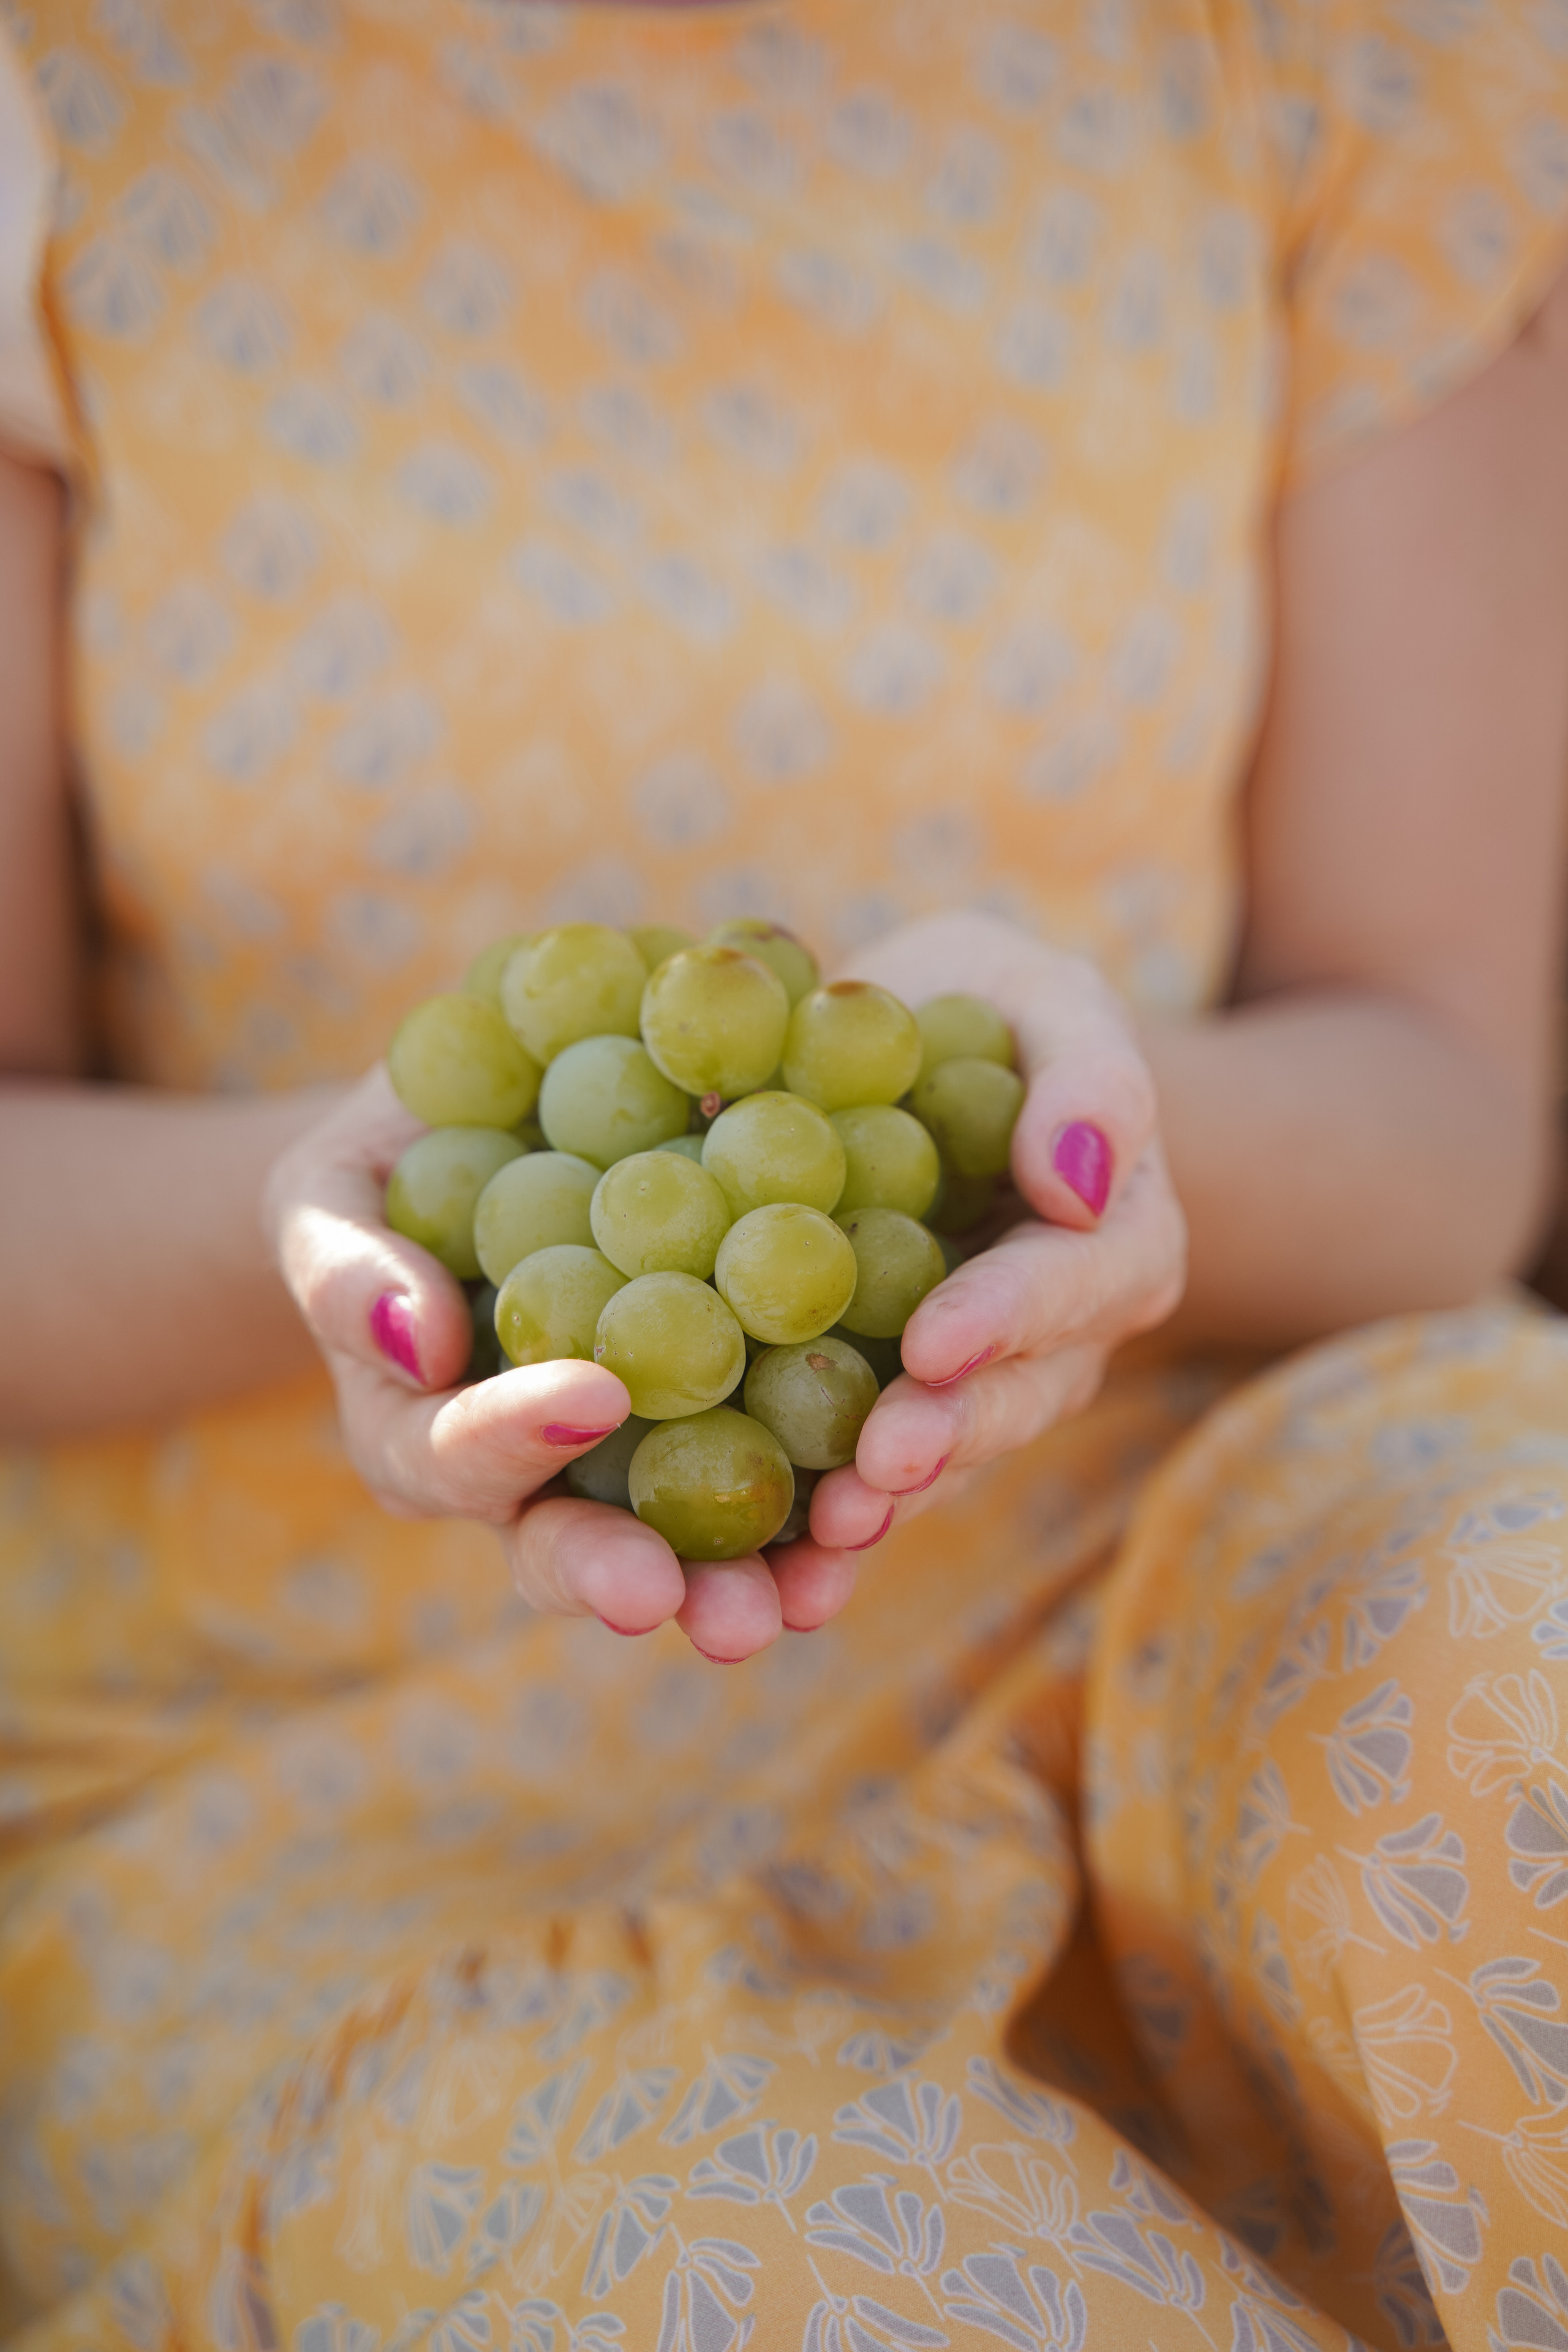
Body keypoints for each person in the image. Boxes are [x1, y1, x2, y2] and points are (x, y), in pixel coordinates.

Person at [2, 2, 1568, 2344]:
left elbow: (1447, 1115)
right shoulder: (63, 96)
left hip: (1183, 1515)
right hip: (315, 1753)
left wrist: (1092, 1145)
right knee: (784, 2270)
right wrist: (343, 1230)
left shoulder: (1338, 54)